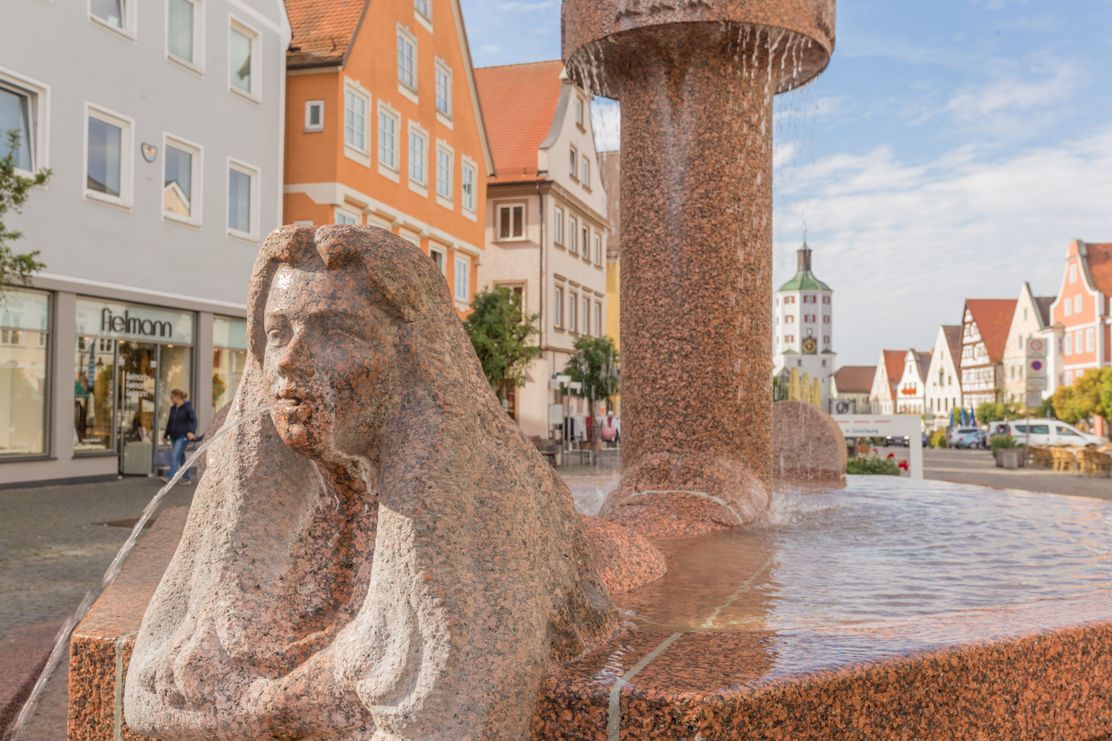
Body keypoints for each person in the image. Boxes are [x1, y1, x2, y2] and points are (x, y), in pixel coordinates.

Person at [162, 389, 197, 483]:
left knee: (175, 455)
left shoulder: (187, 408)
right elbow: (170, 423)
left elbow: (194, 420)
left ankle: (170, 477)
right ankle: (186, 478)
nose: (170, 399)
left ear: (178, 397)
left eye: (172, 397)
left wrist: (191, 431)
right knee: (180, 457)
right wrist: (165, 435)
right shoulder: (173, 408)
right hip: (174, 436)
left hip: (184, 436)